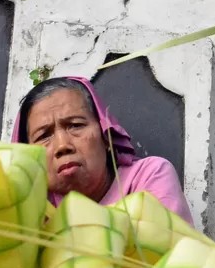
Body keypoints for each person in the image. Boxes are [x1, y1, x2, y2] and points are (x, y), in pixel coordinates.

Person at [12, 76, 194, 223]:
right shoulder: (30, 213)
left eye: (75, 125)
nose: (62, 145)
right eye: (44, 136)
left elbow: (168, 253)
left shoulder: (149, 176)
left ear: (105, 135)